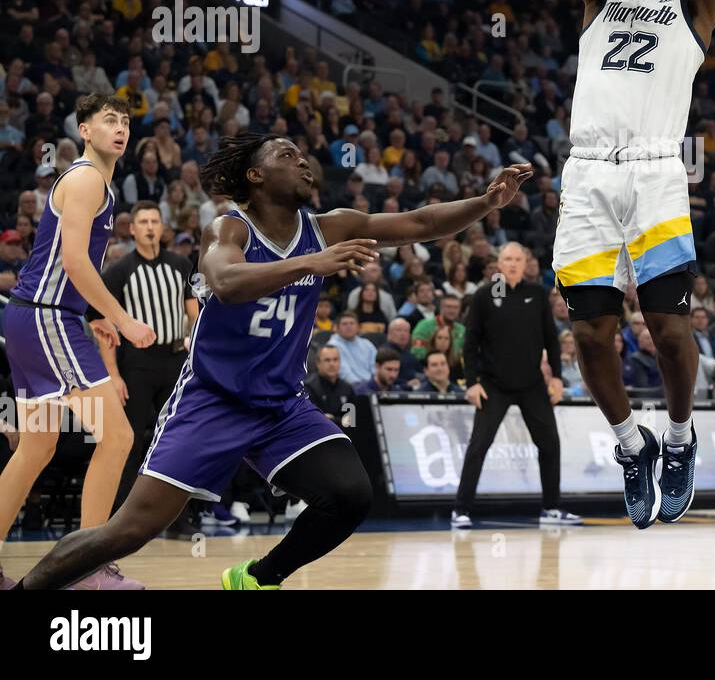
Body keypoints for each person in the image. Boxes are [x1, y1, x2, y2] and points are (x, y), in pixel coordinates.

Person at [11, 133, 531, 590]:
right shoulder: (228, 229)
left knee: (349, 494)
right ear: (256, 175)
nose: (305, 163)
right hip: (213, 400)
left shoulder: (328, 226)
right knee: (126, 532)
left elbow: (417, 222)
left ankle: (257, 578)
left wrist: (485, 203)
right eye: (288, 155)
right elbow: (226, 283)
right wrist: (311, 262)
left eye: (305, 156)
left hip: (281, 404)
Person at [553, 0, 715, 529]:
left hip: (660, 171)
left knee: (667, 331)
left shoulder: (698, 10)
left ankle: (679, 436)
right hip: (591, 171)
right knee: (592, 333)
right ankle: (630, 444)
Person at [0, 94, 156, 590]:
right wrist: (121, 317)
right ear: (84, 130)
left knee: (35, 448)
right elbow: (73, 261)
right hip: (47, 322)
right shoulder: (87, 177)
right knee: (118, 437)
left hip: (32, 320)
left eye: (126, 121)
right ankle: (86, 569)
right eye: (109, 120)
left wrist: (89, 315)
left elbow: (62, 267)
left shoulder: (97, 183)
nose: (120, 128)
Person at [452, 243, 580, 528]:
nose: (511, 264)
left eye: (517, 259)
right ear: (499, 263)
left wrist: (557, 377)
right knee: (478, 446)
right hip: (493, 383)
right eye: (507, 259)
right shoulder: (484, 295)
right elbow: (469, 343)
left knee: (550, 443)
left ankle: (551, 508)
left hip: (531, 383)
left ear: (525, 263)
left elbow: (551, 339)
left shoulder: (536, 294)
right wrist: (472, 382)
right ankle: (461, 509)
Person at [91, 201, 199, 526]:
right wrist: (112, 374)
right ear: (133, 229)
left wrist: (194, 339)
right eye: (144, 222)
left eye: (155, 220)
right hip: (137, 362)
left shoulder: (181, 264)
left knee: (177, 437)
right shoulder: (119, 270)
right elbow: (103, 327)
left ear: (162, 228)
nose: (150, 226)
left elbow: (194, 312)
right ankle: (119, 519)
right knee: (132, 438)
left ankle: (179, 517)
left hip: (176, 358)